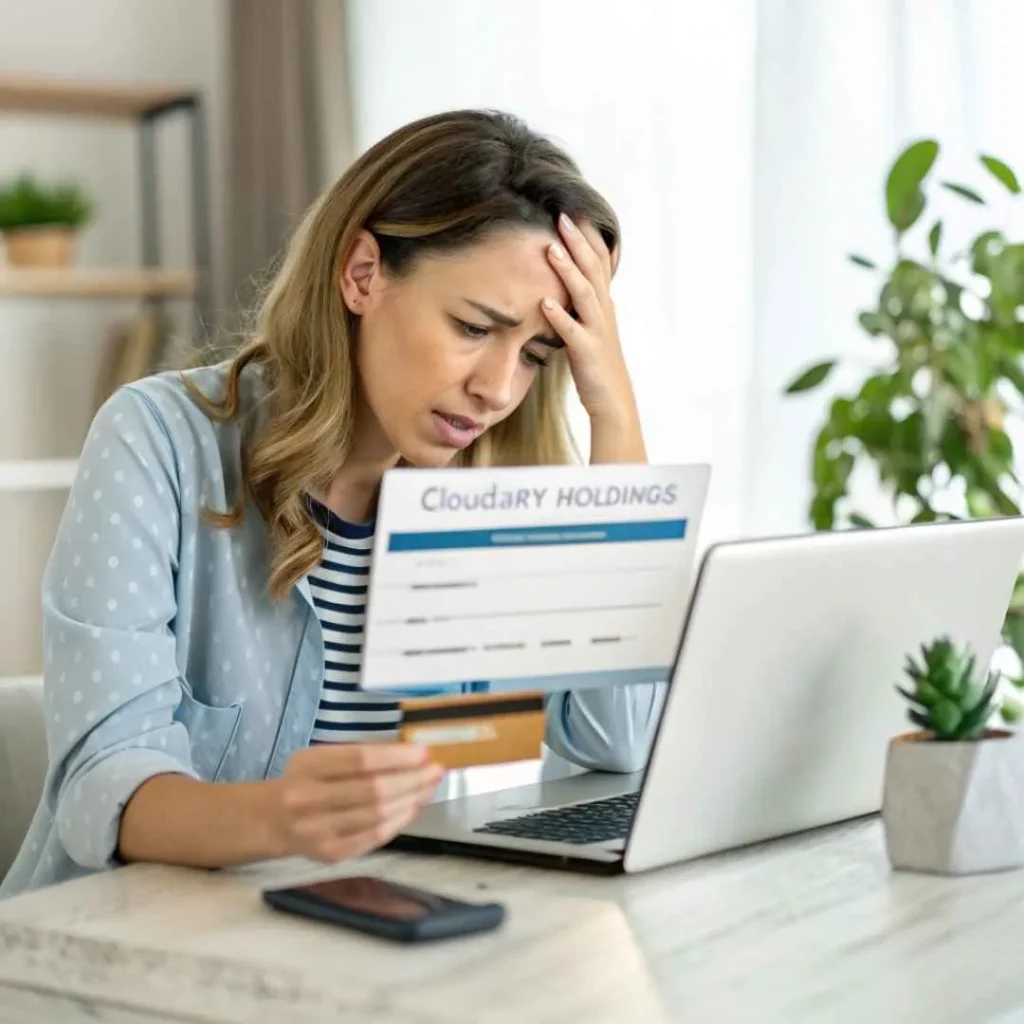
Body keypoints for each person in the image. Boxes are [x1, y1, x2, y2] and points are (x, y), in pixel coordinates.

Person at [0, 109, 665, 900]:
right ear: (362, 274)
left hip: (362, 930)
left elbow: (615, 740)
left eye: (536, 355)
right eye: (472, 327)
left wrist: (614, 412)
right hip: (115, 939)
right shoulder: (159, 441)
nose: (498, 389)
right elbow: (103, 789)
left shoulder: (481, 502)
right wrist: (284, 818)